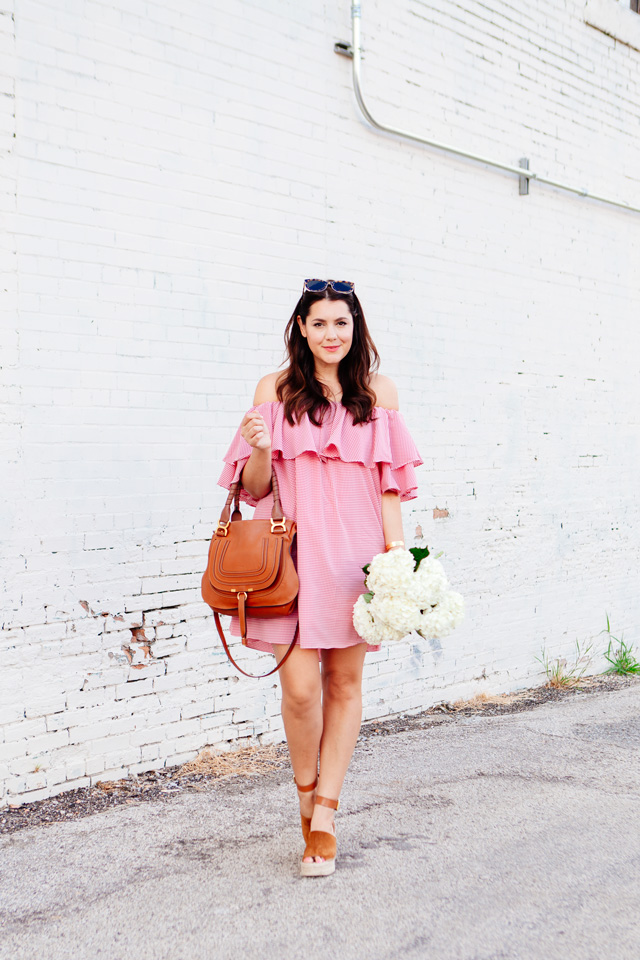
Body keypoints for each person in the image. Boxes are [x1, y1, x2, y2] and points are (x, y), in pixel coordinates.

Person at [217, 279, 423, 877]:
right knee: (300, 689)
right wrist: (258, 447)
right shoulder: (273, 391)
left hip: (355, 556)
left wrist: (396, 560)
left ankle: (326, 814)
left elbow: (389, 486)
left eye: (342, 323)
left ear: (355, 329)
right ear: (301, 329)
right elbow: (254, 488)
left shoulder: (379, 394)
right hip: (292, 558)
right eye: (321, 323)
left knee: (344, 684)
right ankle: (305, 800)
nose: (332, 334)